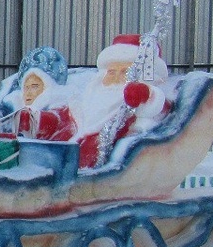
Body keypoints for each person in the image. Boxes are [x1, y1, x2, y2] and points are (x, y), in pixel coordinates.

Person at [70, 34, 169, 168]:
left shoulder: (141, 102)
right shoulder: (87, 101)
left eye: (125, 72)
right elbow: (62, 120)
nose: (116, 78)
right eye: (111, 72)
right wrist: (37, 120)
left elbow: (159, 106)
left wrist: (143, 93)